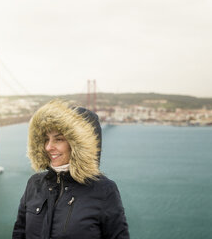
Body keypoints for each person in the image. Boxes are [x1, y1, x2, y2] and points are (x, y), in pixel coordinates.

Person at [13, 99, 129, 239]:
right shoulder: (34, 184)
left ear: (79, 145)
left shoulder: (104, 190)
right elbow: (19, 233)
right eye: (46, 139)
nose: (49, 147)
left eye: (59, 139)